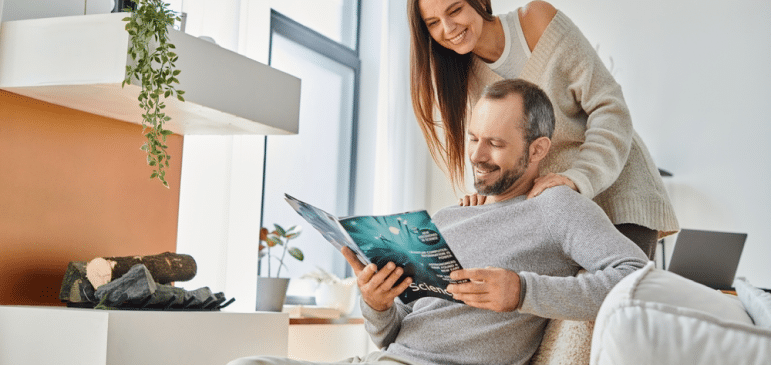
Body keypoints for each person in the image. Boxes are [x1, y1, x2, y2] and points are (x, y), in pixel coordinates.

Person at [227, 79, 649, 365]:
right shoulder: (448, 218)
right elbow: (391, 337)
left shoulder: (555, 206)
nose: (477, 155)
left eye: (495, 143)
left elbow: (637, 278)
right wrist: (377, 303)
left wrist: (523, 291)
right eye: (473, 138)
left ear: (537, 150)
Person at [408, 0, 679, 259]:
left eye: (455, 10)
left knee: (616, 289)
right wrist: (486, 196)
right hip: (559, 210)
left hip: (617, 192)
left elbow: (609, 107)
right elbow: (498, 149)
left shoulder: (535, 22)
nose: (448, 28)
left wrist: (578, 178)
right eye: (433, 22)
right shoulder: (459, 73)